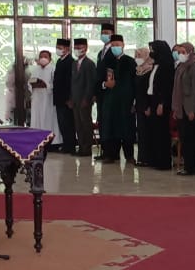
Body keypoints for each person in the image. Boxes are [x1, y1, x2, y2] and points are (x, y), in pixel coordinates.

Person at [97, 34, 136, 163]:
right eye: (113, 45)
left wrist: (134, 101)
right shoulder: (106, 62)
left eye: (117, 45)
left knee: (126, 128)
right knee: (110, 128)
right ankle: (110, 155)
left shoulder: (130, 61)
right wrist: (105, 84)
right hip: (110, 101)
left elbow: (134, 82)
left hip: (125, 102)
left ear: (123, 45)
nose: (115, 47)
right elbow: (98, 81)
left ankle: (129, 156)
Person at [138, 40, 174, 170]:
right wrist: (148, 104)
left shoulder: (167, 66)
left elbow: (167, 87)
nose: (151, 52)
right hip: (152, 100)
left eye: (153, 50)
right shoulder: (155, 65)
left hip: (161, 102)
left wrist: (162, 103)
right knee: (153, 132)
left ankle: (163, 162)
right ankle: (154, 159)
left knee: (161, 132)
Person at [172, 42, 195, 175]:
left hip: (190, 108)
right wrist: (176, 108)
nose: (180, 55)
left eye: (183, 52)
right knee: (184, 138)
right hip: (181, 108)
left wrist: (192, 109)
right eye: (179, 52)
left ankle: (192, 167)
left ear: (190, 53)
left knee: (191, 138)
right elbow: (176, 90)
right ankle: (188, 165)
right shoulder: (180, 67)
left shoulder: (194, 68)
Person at [28, 49, 63, 147]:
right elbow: (29, 82)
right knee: (37, 119)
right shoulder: (35, 70)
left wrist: (46, 85)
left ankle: (52, 142)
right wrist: (32, 85)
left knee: (48, 119)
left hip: (48, 98)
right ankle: (37, 141)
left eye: (45, 57)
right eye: (41, 56)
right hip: (37, 98)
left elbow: (55, 84)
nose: (43, 58)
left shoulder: (53, 69)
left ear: (50, 59)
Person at [69, 38, 96, 156]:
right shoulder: (74, 63)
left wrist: (87, 98)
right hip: (75, 99)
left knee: (86, 124)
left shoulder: (89, 64)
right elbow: (72, 82)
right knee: (78, 124)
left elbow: (91, 83)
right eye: (75, 47)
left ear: (86, 48)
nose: (77, 50)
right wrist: (71, 98)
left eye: (80, 47)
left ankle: (87, 148)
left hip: (84, 99)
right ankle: (80, 146)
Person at [52, 38, 75, 153]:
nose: (58, 50)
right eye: (57, 47)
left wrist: (69, 98)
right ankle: (66, 144)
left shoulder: (70, 61)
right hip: (59, 98)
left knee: (68, 123)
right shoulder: (59, 61)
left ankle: (70, 146)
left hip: (66, 99)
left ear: (66, 49)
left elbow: (70, 82)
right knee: (62, 123)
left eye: (60, 48)